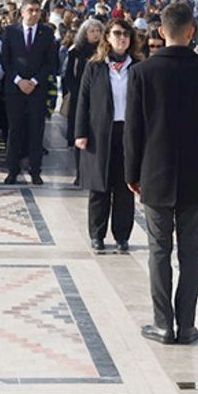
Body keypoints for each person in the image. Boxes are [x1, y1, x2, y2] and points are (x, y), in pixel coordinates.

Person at [125, 2, 198, 345]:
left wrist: (131, 173)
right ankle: (188, 325)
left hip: (154, 175)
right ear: (192, 32)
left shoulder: (141, 73)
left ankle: (163, 325)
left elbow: (133, 131)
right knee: (191, 252)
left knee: (158, 251)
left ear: (161, 32)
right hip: (197, 175)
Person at [75, 19, 141, 252]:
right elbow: (82, 102)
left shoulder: (138, 66)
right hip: (100, 133)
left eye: (126, 34)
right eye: (116, 33)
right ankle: (97, 234)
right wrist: (80, 133)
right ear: (108, 37)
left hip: (128, 133)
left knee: (125, 187)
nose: (121, 37)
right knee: (99, 187)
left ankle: (122, 236)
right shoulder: (95, 66)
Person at [0, 0, 56, 185]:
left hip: (36, 89)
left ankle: (35, 170)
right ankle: (12, 169)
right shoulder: (10, 32)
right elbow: (5, 61)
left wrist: (33, 81)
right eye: (30, 10)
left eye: (37, 10)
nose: (34, 14)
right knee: (14, 129)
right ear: (22, 12)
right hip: (15, 89)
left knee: (36, 130)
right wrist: (18, 81)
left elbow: (50, 62)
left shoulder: (47, 33)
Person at [63, 18, 102, 184]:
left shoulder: (104, 52)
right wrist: (76, 92)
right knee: (80, 135)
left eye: (98, 31)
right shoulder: (75, 51)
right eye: (92, 31)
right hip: (80, 99)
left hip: (100, 100)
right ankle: (80, 172)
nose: (95, 34)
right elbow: (68, 75)